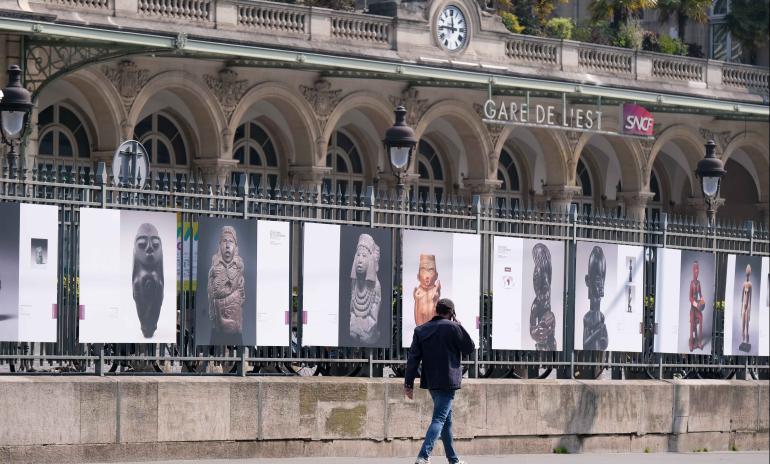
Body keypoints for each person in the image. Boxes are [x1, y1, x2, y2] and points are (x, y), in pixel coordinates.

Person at [405, 298, 475, 464]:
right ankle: (423, 455)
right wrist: (459, 325)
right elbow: (469, 348)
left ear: (436, 310)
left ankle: (453, 459)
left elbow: (413, 359)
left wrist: (408, 384)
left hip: (431, 381)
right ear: (451, 312)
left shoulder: (421, 330)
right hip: (448, 380)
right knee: (439, 419)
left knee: (446, 421)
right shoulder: (453, 327)